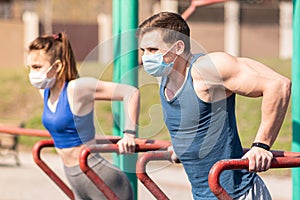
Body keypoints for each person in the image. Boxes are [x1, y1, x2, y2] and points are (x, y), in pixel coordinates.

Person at [137, 12, 291, 199]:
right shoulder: (166, 78)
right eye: (143, 51)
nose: (146, 58)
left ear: (178, 47)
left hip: (237, 193)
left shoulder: (207, 70)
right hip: (204, 194)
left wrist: (261, 146)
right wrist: (181, 147)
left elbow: (278, 85)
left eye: (153, 50)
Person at [26, 32, 140, 200]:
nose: (32, 73)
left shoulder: (77, 88)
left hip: (99, 174)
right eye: (29, 68)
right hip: (74, 177)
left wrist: (129, 134)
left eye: (37, 67)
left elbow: (130, 93)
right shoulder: (45, 91)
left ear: (57, 66)